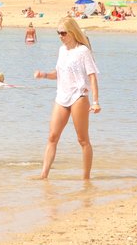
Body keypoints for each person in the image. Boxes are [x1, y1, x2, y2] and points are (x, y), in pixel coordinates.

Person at [33, 17, 100, 180]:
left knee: (82, 140)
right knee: (52, 137)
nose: (60, 36)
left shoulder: (83, 51)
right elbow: (59, 74)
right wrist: (44, 75)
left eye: (63, 33)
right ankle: (43, 175)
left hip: (78, 96)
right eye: (58, 33)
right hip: (61, 97)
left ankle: (86, 178)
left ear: (72, 32)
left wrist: (95, 102)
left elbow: (92, 77)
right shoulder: (62, 50)